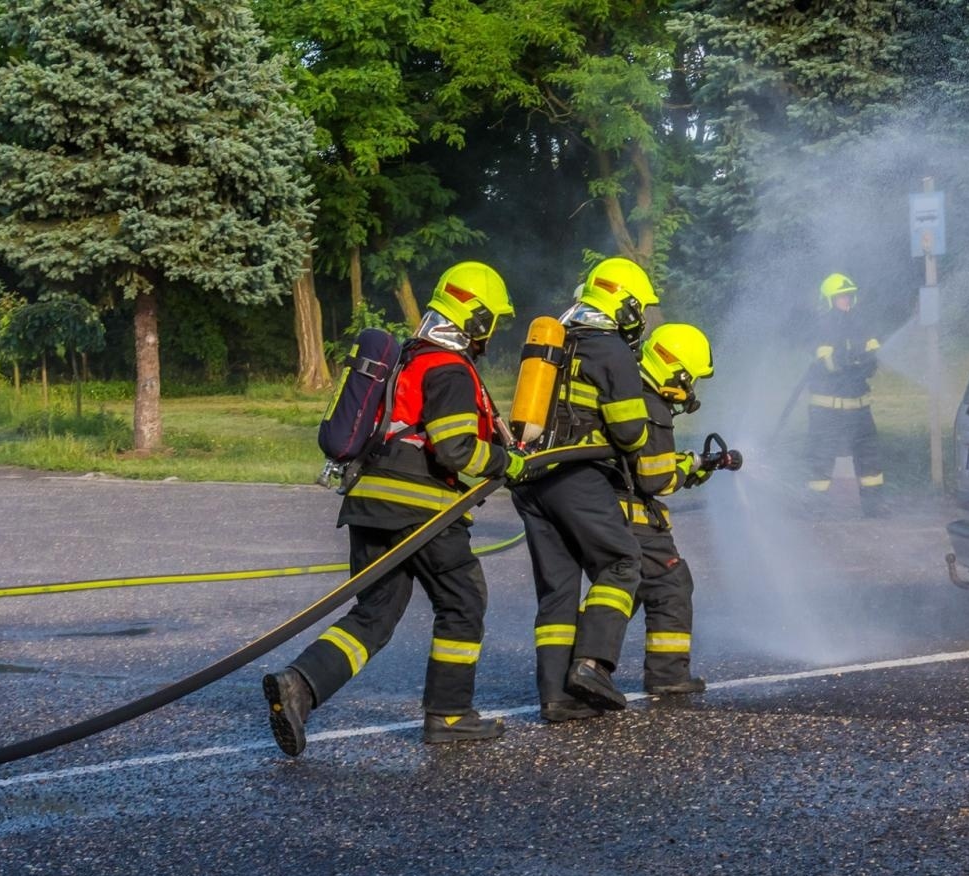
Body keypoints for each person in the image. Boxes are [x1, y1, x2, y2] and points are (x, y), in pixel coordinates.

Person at [262, 261, 528, 754]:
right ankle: (449, 715)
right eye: (491, 321)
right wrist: (507, 463)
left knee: (375, 614)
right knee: (463, 603)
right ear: (475, 321)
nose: (490, 333)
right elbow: (456, 450)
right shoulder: (448, 368)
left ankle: (299, 687)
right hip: (420, 510)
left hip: (369, 505)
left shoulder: (408, 359)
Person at [512, 256, 656, 721]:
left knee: (558, 589)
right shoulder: (610, 349)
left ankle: (555, 697)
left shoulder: (557, 339)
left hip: (533, 479)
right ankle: (592, 665)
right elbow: (631, 431)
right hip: (577, 476)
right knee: (621, 561)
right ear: (625, 305)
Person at [623, 322, 717, 696]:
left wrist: (687, 466)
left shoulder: (630, 391)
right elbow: (655, 479)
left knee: (622, 589)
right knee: (669, 579)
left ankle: (582, 661)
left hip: (604, 504)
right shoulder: (652, 406)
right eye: (691, 377)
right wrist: (686, 467)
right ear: (675, 370)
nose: (692, 387)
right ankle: (667, 675)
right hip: (629, 511)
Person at [807, 272, 885, 517]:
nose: (847, 301)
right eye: (841, 297)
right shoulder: (821, 325)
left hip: (859, 406)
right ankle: (815, 507)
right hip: (827, 409)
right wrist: (853, 361)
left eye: (849, 296)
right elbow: (828, 361)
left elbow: (873, 355)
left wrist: (869, 359)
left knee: (869, 456)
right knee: (822, 456)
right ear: (829, 299)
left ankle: (873, 507)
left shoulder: (860, 323)